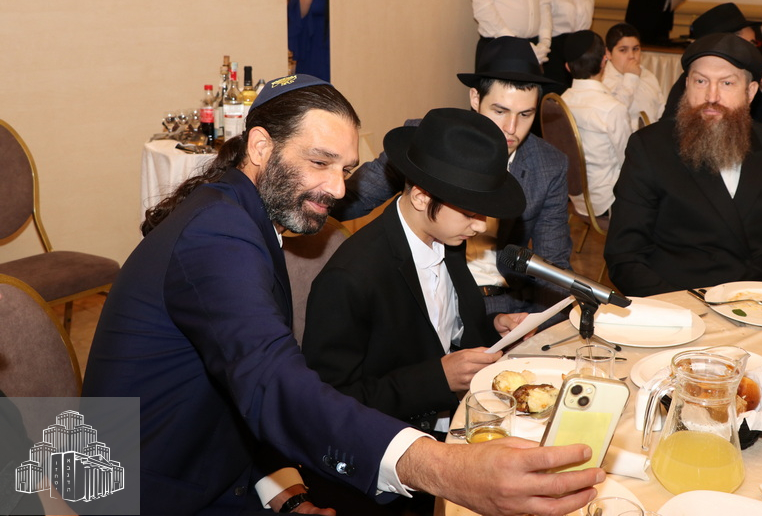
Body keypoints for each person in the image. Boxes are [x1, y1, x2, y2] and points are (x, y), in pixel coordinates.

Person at [82, 75, 603, 516]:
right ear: (260, 147)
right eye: (319, 162)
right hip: (138, 490)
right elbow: (269, 379)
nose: (337, 189)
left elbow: (232, 387)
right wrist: (442, 467)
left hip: (208, 466)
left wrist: (279, 489)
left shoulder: (241, 215)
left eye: (346, 170)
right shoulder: (218, 235)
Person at [305, 108, 527, 431]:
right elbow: (330, 403)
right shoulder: (351, 278)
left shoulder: (449, 238)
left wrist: (493, 329)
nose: (481, 226)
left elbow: (437, 331)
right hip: (394, 438)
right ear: (422, 198)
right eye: (470, 213)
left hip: (459, 416)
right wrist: (438, 379)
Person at [332, 37, 572, 317]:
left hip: (506, 303)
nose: (511, 128)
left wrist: (538, 323)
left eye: (526, 114)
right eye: (500, 111)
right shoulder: (430, 140)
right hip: (431, 297)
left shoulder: (549, 165)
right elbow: (350, 197)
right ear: (475, 98)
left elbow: (553, 266)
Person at [604, 33, 762, 297]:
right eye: (701, 81)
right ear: (687, 85)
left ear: (750, 92)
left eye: (727, 83)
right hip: (679, 302)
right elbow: (624, 256)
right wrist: (683, 309)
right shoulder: (650, 148)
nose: (712, 96)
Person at [661, 2, 762, 124]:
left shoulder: (741, 77)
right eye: (751, 44)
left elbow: (751, 125)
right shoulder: (692, 88)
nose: (755, 51)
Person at [561, 30, 632, 218]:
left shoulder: (560, 102)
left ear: (567, 67)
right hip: (607, 200)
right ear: (604, 60)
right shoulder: (612, 108)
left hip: (574, 196)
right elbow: (628, 161)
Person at [600, 22, 665, 129]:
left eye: (635, 49)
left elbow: (661, 111)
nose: (631, 56)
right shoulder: (603, 80)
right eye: (623, 50)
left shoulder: (648, 75)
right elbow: (613, 117)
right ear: (608, 53)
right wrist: (630, 77)